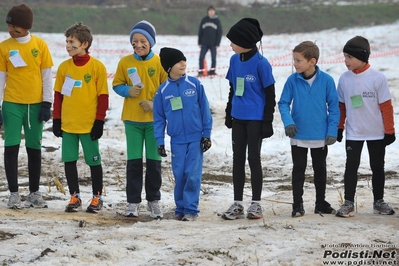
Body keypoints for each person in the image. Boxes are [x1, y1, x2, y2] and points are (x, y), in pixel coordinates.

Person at [221, 18, 276, 220]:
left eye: (233, 41)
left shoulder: (262, 64)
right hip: (239, 118)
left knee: (253, 159)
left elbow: (270, 94)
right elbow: (232, 88)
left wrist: (267, 121)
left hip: (255, 119)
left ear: (245, 42)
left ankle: (256, 204)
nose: (230, 45)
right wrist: (229, 112)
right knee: (237, 159)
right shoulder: (234, 60)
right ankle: (237, 204)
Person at [112, 20, 167, 219]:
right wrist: (128, 90)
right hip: (132, 121)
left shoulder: (160, 62)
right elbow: (116, 85)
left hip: (155, 123)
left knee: (154, 164)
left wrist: (154, 104)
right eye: (134, 41)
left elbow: (166, 89)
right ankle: (133, 203)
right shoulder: (125, 63)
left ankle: (154, 201)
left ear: (151, 42)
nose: (139, 45)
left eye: (143, 41)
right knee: (134, 163)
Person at [336, 36, 396, 217]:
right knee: (351, 166)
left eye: (349, 57)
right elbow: (342, 106)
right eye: (344, 56)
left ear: (361, 57)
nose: (345, 61)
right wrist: (339, 127)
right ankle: (348, 202)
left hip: (376, 133)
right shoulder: (344, 79)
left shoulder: (378, 78)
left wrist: (390, 131)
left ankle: (379, 201)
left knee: (377, 166)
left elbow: (386, 107)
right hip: (354, 132)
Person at [0, 4, 53, 209]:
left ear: (26, 26)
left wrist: (47, 103)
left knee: (34, 149)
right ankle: (14, 193)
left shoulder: (40, 45)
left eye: (15, 27)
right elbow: (1, 78)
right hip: (12, 103)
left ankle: (34, 193)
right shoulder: (4, 47)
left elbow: (47, 76)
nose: (11, 30)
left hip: (35, 105)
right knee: (11, 148)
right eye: (9, 25)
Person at [278, 41, 340, 218]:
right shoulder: (292, 80)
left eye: (298, 60)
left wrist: (332, 131)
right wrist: (288, 122)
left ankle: (320, 203)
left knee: (320, 170)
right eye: (294, 60)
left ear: (312, 61)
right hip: (298, 135)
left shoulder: (327, 81)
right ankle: (297, 205)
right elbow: (283, 103)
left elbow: (334, 107)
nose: (295, 64)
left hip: (320, 135)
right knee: (299, 170)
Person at [52, 21, 109, 213]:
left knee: (94, 161)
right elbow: (58, 96)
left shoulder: (97, 67)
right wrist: (57, 119)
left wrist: (99, 121)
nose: (68, 45)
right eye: (67, 41)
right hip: (69, 125)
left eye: (71, 41)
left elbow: (103, 97)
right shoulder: (63, 68)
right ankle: (74, 196)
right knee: (69, 160)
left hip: (89, 125)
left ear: (84, 44)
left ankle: (97, 197)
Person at [153, 47, 213, 221]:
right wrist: (160, 141)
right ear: (169, 67)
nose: (183, 64)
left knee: (192, 175)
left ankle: (191, 209)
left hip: (195, 139)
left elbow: (205, 110)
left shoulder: (195, 84)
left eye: (184, 60)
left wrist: (206, 134)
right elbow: (159, 118)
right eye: (179, 61)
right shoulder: (163, 91)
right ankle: (180, 208)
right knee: (180, 175)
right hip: (177, 140)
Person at [197, 5, 222, 77]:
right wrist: (199, 42)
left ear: (214, 12)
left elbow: (219, 32)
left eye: (212, 11)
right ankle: (201, 72)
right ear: (207, 12)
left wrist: (218, 43)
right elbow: (200, 31)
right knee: (201, 58)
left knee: (213, 58)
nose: (211, 12)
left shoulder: (217, 21)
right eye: (210, 11)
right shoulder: (204, 20)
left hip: (213, 44)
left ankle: (212, 72)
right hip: (204, 43)